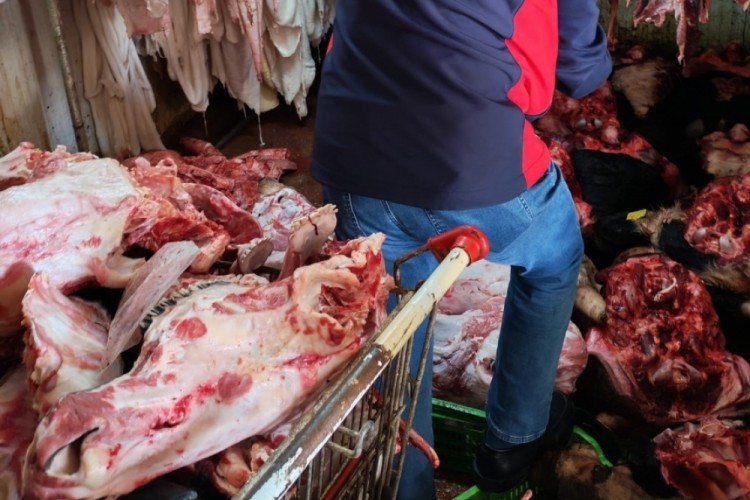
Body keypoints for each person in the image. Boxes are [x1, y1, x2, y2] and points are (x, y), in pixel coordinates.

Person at [310, 0, 612, 497]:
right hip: (466, 157)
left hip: (350, 159)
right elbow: (581, 72)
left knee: (394, 327)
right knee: (554, 256)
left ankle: (409, 486)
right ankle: (515, 436)